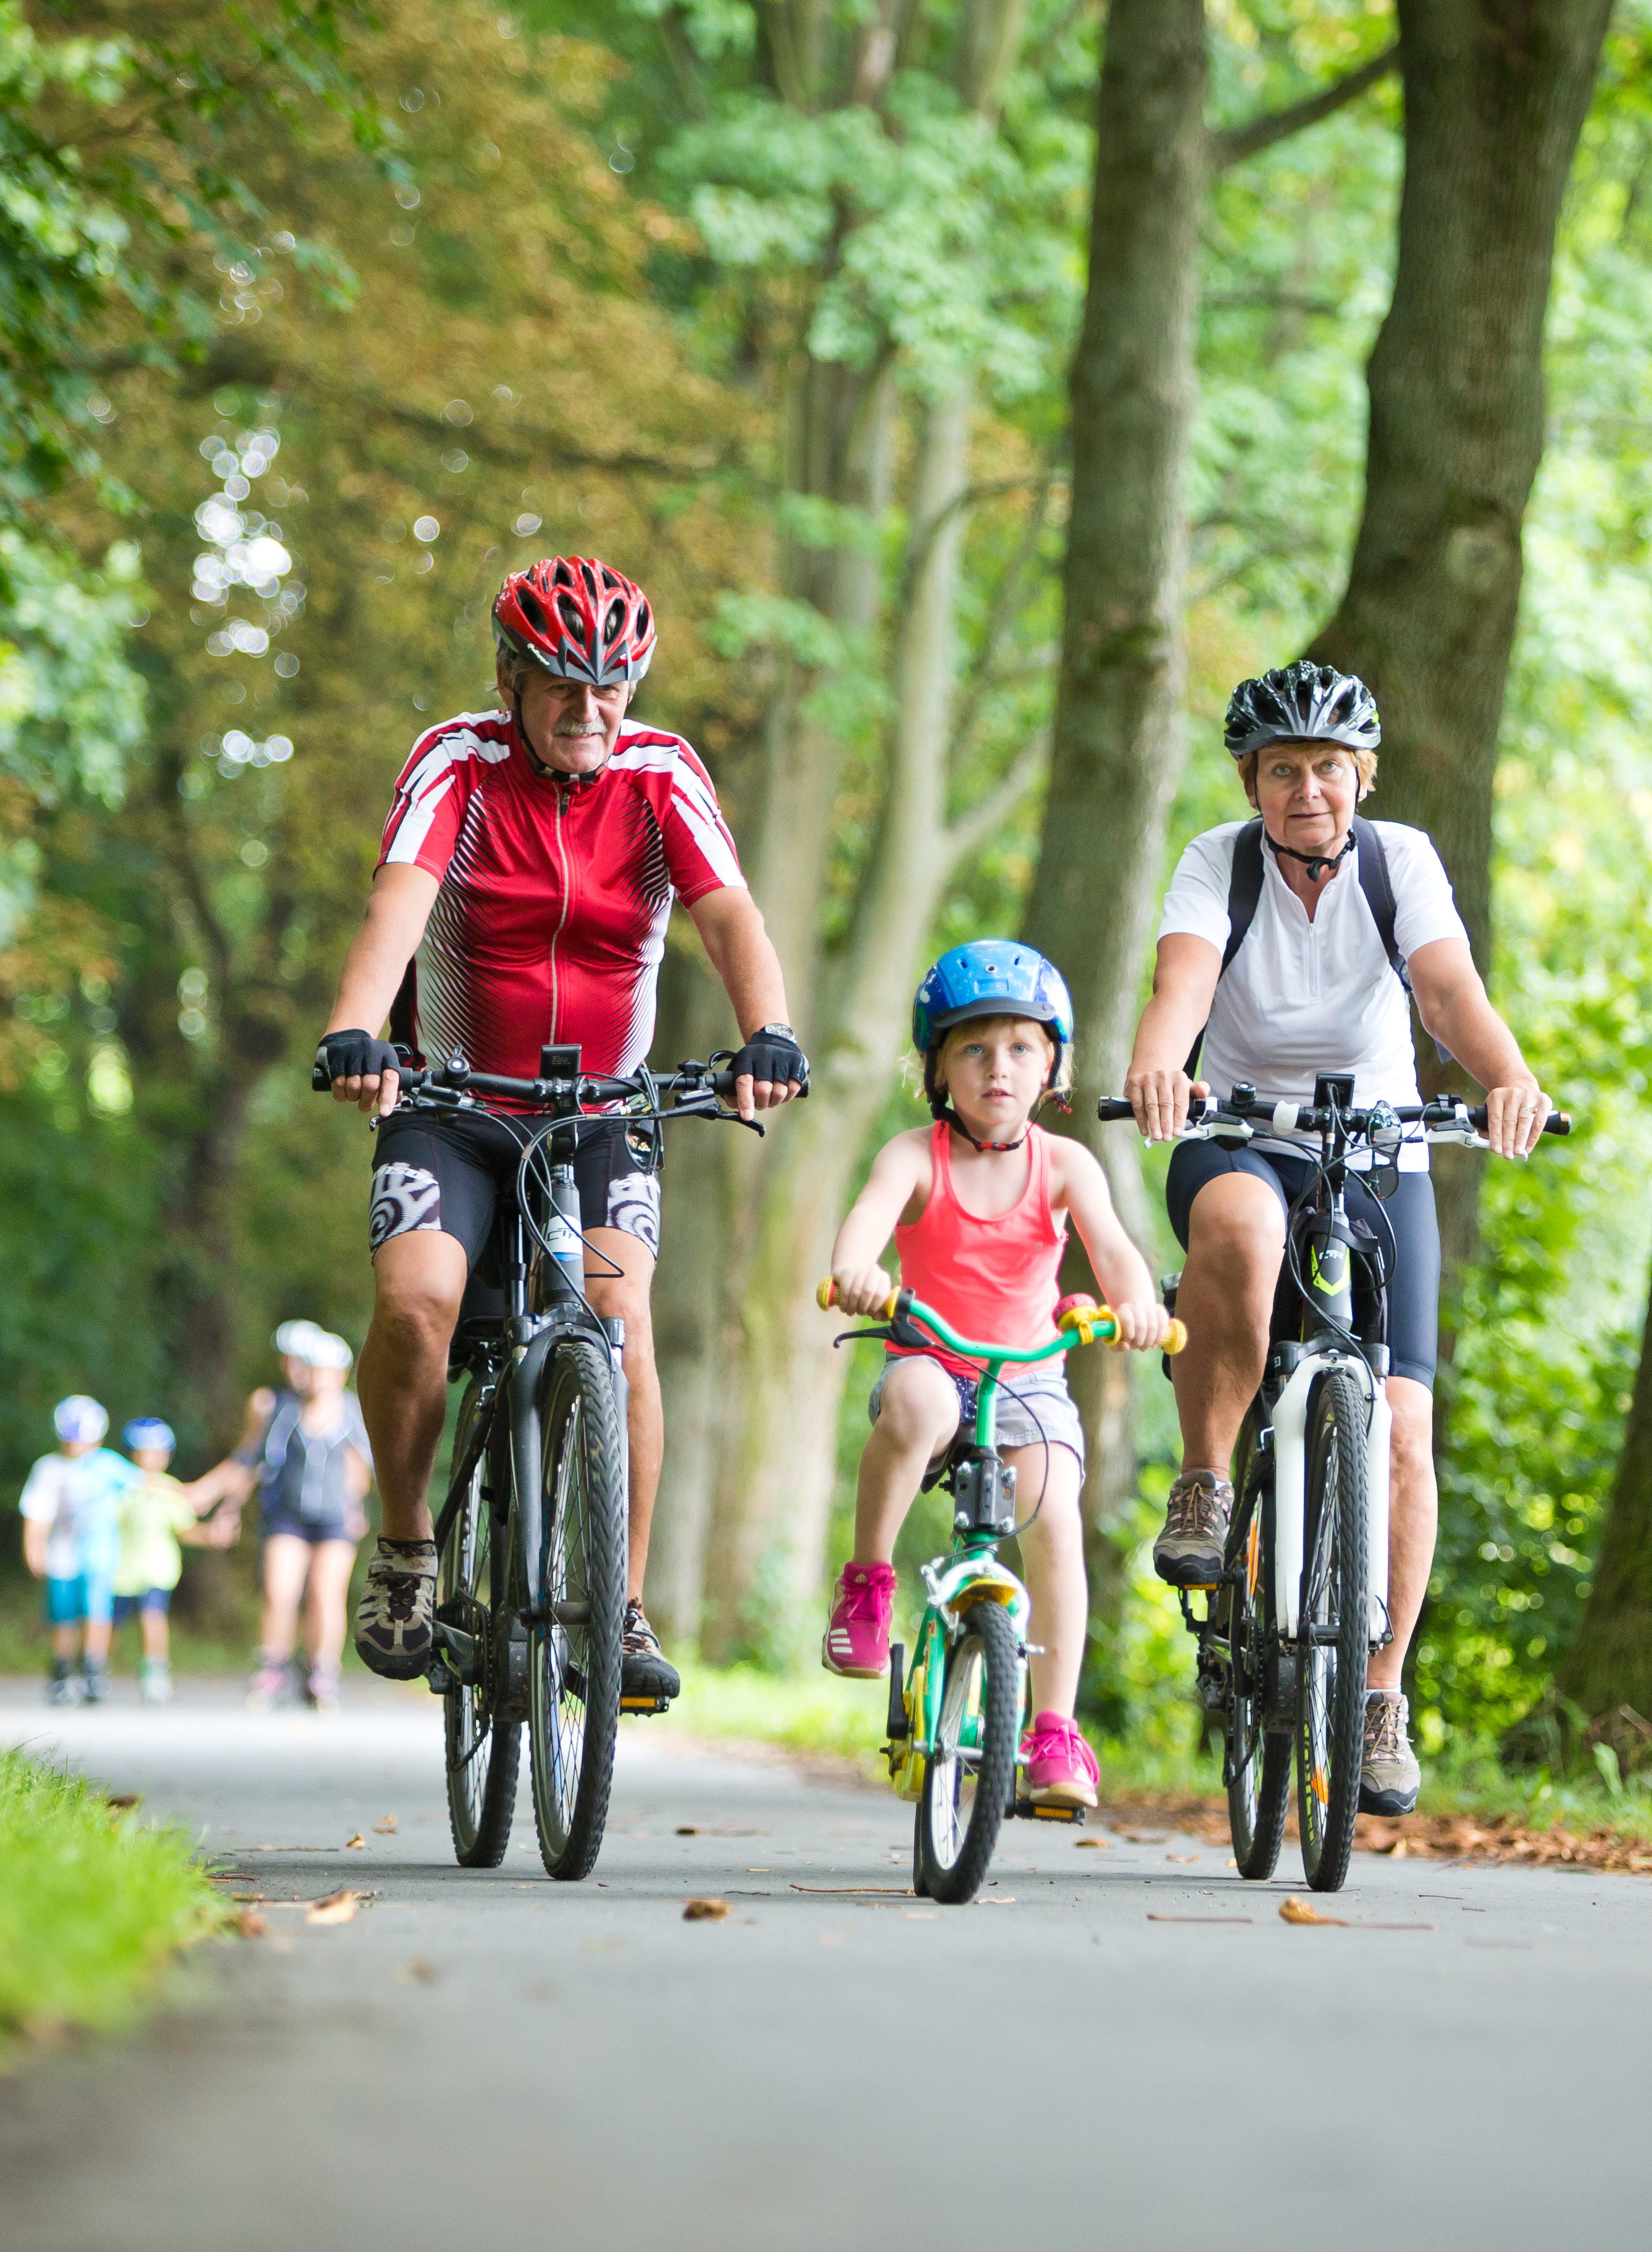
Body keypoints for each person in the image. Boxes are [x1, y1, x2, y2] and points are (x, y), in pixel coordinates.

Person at [312, 556, 807, 1704]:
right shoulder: (459, 761)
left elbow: (729, 914)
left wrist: (769, 1031)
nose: (589, 712)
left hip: (601, 1114)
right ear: (510, 679)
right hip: (455, 1104)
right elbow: (397, 897)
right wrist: (353, 1032)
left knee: (619, 1319)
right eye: (561, 686)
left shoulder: (661, 773)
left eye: (611, 688)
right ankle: (404, 1549)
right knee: (415, 1303)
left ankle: (620, 1605)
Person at [1121, 661, 1558, 1817]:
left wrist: (1506, 1076)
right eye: (1280, 771)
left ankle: (1376, 1695)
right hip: (1236, 1127)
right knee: (1244, 1226)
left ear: (1360, 773)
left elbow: (1446, 990)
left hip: (1375, 1145)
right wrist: (1160, 1060)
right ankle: (1208, 1483)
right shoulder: (1217, 861)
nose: (1305, 790)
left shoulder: (1396, 859)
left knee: (1405, 1428)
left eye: (1325, 767)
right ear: (1250, 783)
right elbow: (1183, 980)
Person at [818, 943, 1170, 1814]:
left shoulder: (1063, 1165)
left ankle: (1054, 1730)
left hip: (1029, 1378)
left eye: (1019, 1048)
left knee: (1053, 1520)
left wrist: (1137, 1311)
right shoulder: (915, 1154)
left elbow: (1116, 1253)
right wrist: (858, 1269)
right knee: (916, 1404)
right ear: (937, 1064)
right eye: (973, 1049)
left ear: (1053, 1063)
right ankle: (867, 1582)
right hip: (932, 1355)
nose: (997, 1068)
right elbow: (865, 1221)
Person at [191, 1322, 376, 1712]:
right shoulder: (282, 1409)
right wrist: (221, 1501)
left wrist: (357, 1508)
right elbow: (251, 1461)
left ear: (340, 1374)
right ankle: (272, 1668)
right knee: (280, 1591)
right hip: (285, 1516)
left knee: (326, 1594)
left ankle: (321, 1673)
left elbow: (360, 1467)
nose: (315, 1376)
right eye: (312, 1368)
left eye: (325, 1370)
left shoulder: (353, 1413)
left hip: (335, 1518)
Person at [20, 1395, 138, 1707]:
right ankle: (61, 1670)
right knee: (63, 1617)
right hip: (61, 1556)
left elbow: (145, 1487)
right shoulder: (48, 1469)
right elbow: (38, 1512)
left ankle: (94, 1669)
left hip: (100, 1555)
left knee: (98, 1612)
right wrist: (34, 1546)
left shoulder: (108, 1465)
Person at [111, 1417, 213, 1708]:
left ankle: (155, 1672)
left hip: (157, 1569)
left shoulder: (172, 1489)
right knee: (110, 1623)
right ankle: (97, 1669)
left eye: (158, 1452)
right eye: (144, 1452)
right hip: (119, 1570)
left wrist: (210, 1536)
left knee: (152, 1618)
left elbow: (185, 1528)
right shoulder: (120, 1484)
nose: (151, 1459)